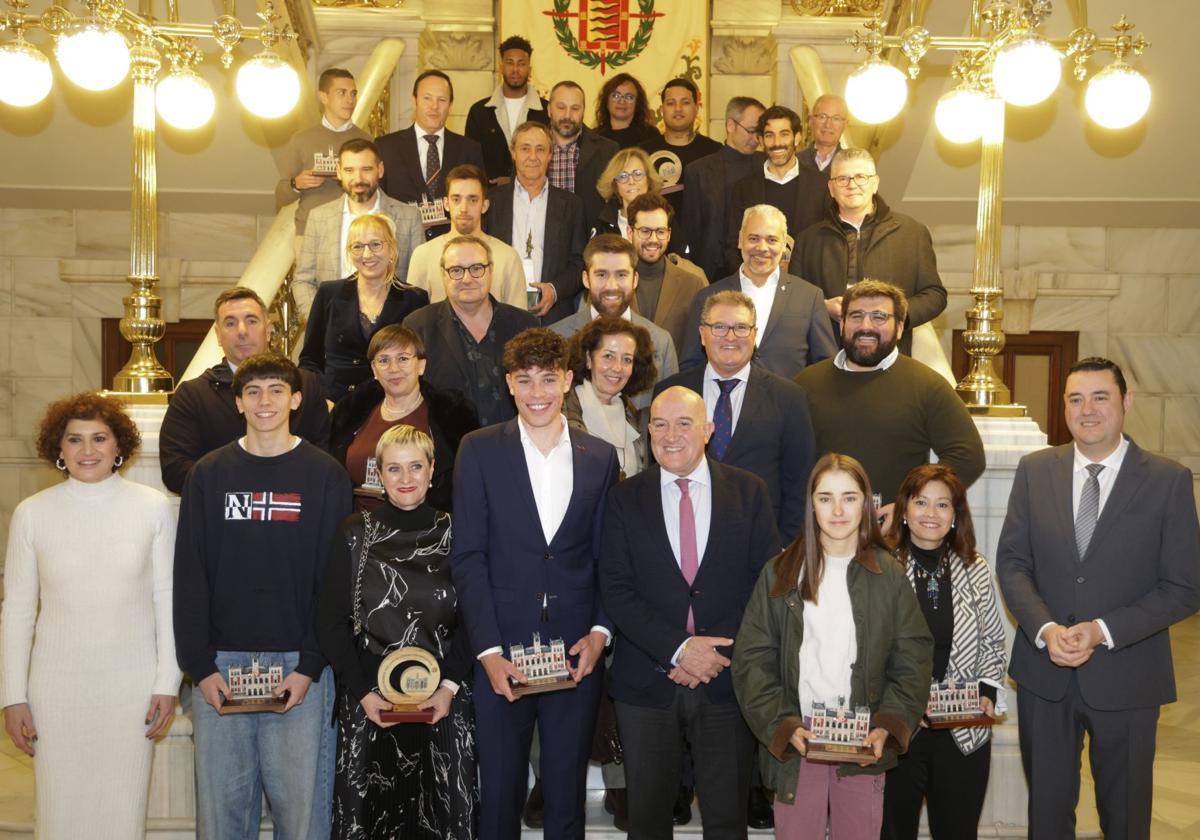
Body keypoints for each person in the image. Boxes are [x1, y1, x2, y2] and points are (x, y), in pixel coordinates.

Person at [996, 356, 1200, 840]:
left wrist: (1102, 630)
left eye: (1100, 397)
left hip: (1128, 676)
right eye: (1075, 399)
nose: (1086, 409)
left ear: (1126, 403)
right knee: (1047, 816)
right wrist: (1046, 629)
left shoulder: (1168, 480)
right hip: (1045, 676)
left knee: (1126, 818)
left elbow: (1185, 587)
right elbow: (1013, 564)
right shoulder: (1034, 470)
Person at [173, 352, 352, 840]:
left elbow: (334, 580)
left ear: (295, 399)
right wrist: (200, 667)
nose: (264, 400)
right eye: (252, 391)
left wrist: (311, 665)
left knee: (302, 814)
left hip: (299, 666)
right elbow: (189, 574)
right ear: (238, 403)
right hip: (223, 667)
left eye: (276, 390)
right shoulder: (208, 475)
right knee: (223, 813)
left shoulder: (325, 475)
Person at [450, 328, 619, 840]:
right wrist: (488, 650)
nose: (538, 392)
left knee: (565, 797)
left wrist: (599, 632)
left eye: (549, 379)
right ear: (509, 384)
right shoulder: (478, 450)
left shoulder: (602, 456)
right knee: (499, 796)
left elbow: (607, 558)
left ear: (568, 380)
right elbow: (469, 556)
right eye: (525, 381)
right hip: (502, 650)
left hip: (576, 651)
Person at [600, 386, 781, 840]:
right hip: (646, 683)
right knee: (646, 821)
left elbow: (767, 584)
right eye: (659, 424)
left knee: (725, 820)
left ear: (709, 430)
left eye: (684, 423)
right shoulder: (624, 498)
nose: (670, 434)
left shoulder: (749, 492)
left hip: (726, 683)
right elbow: (617, 590)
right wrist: (679, 650)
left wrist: (714, 653)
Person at [1, 392, 181, 839]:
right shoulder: (31, 514)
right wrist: (12, 695)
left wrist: (167, 683)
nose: (87, 450)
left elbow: (169, 600)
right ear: (57, 450)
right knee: (60, 816)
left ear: (118, 446)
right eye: (75, 440)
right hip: (55, 690)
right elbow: (18, 612)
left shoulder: (152, 507)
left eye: (99, 439)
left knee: (122, 816)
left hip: (132, 688)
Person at [732, 453, 932, 839]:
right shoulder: (780, 572)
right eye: (825, 498)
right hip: (798, 738)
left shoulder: (888, 574)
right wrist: (781, 725)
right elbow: (751, 660)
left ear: (867, 503)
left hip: (863, 738)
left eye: (849, 497)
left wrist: (889, 723)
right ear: (811, 505)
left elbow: (913, 656)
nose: (838, 510)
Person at [318, 424, 477, 839]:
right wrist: (364, 693)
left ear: (431, 470)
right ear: (378, 474)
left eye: (414, 467)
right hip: (371, 703)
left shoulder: (458, 532)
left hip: (444, 703)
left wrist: (449, 688)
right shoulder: (354, 533)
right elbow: (330, 622)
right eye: (394, 469)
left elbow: (476, 619)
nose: (405, 479)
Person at [881, 464, 1008, 840]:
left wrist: (985, 693)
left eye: (942, 505)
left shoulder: (976, 568)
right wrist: (901, 703)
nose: (931, 514)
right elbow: (867, 648)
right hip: (900, 730)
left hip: (962, 730)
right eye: (921, 502)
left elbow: (993, 640)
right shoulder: (880, 568)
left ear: (955, 515)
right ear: (904, 509)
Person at [793, 279, 985, 525]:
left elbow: (968, 456)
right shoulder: (806, 382)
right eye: (856, 316)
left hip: (894, 539)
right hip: (819, 533)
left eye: (879, 317)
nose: (866, 326)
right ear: (841, 323)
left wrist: (910, 505)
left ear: (899, 327)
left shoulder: (926, 385)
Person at [657, 290, 814, 543]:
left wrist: (786, 549)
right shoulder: (670, 391)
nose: (730, 337)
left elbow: (799, 481)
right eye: (719, 327)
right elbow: (657, 470)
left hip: (761, 543)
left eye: (741, 327)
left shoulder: (789, 397)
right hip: (683, 538)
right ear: (702, 334)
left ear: (754, 335)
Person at [159, 286, 330, 494]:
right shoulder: (192, 395)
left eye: (251, 321)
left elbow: (325, 456)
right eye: (230, 323)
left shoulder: (306, 385)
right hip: (222, 517)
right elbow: (175, 470)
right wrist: (245, 489)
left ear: (268, 330)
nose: (242, 331)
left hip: (295, 510)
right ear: (218, 335)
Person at [793, 148, 946, 355]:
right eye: (842, 179)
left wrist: (891, 316)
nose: (852, 185)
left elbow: (934, 295)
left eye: (860, 177)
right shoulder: (807, 240)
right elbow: (793, 299)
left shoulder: (912, 233)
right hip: (826, 354)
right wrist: (823, 307)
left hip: (891, 356)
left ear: (875, 183)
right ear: (831, 188)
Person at [328, 324, 479, 513]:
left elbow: (471, 486)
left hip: (428, 532)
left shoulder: (452, 417)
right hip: (359, 530)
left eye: (403, 358)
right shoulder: (349, 414)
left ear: (421, 365)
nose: (393, 368)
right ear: (374, 369)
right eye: (383, 360)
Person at [682, 204, 836, 379]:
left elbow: (825, 367)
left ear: (785, 243)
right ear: (740, 240)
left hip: (788, 404)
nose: (762, 248)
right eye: (754, 238)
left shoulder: (809, 297)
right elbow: (691, 366)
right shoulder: (708, 297)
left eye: (772, 240)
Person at [402, 234, 538, 426]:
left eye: (476, 268)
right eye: (456, 270)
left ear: (490, 271)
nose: (467, 279)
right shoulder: (418, 327)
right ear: (443, 274)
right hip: (447, 452)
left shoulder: (525, 325)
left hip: (514, 447)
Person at [299, 213, 430, 403]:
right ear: (349, 253)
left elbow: (422, 362)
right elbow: (309, 361)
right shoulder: (329, 294)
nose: (367, 254)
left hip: (392, 407)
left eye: (376, 244)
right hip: (335, 407)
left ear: (392, 249)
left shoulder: (415, 299)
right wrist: (322, 400)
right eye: (358, 246)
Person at [293, 138, 424, 320]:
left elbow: (417, 283)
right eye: (349, 170)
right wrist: (321, 321)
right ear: (338, 172)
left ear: (380, 170)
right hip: (333, 334)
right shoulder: (318, 217)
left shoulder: (409, 217)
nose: (358, 179)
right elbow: (303, 281)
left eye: (366, 169)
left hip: (392, 335)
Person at [549, 234, 678, 411]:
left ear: (635, 280)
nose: (611, 285)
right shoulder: (557, 338)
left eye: (621, 275)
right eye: (601, 275)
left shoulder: (661, 342)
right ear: (586, 279)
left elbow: (670, 413)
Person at [483, 121, 587, 323]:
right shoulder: (491, 202)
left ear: (550, 155)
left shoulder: (572, 205)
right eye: (525, 149)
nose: (532, 157)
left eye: (540, 149)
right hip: (498, 314)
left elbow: (579, 262)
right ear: (513, 153)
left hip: (554, 318)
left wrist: (554, 290)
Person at [405, 164, 528, 308]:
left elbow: (520, 323)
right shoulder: (422, 255)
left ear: (484, 205)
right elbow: (413, 322)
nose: (464, 208)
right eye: (456, 199)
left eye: (473, 200)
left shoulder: (508, 257)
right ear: (446, 204)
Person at [723, 105, 827, 274]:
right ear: (761, 140)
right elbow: (733, 244)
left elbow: (828, 245)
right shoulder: (744, 188)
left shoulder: (822, 186)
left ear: (797, 137)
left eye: (784, 134)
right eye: (770, 135)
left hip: (807, 286)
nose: (777, 143)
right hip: (755, 286)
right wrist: (752, 276)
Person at [275, 67, 371, 235]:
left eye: (353, 93)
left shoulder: (367, 141)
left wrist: (350, 180)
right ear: (323, 97)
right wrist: (297, 184)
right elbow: (281, 196)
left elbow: (378, 192)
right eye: (342, 93)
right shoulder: (301, 139)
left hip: (354, 234)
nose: (350, 100)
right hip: (310, 233)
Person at [376, 70, 486, 215]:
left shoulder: (469, 149)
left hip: (453, 237)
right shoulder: (385, 147)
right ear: (414, 102)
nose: (434, 106)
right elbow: (376, 202)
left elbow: (478, 202)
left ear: (450, 105)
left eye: (442, 100)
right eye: (427, 98)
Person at [681, 96, 765, 282]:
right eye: (751, 131)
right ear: (730, 125)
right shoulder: (699, 171)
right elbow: (692, 230)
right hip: (710, 272)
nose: (756, 139)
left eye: (760, 132)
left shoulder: (766, 166)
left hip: (757, 269)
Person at [564, 315, 657, 479]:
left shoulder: (636, 419)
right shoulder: (561, 411)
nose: (617, 368)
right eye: (608, 356)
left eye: (627, 359)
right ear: (588, 359)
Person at [638, 77, 722, 240]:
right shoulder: (643, 152)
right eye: (670, 103)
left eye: (685, 102)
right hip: (653, 238)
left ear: (697, 108)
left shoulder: (714, 151)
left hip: (703, 239)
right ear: (661, 110)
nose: (678, 109)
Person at [627, 192, 708, 356]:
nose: (653, 239)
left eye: (660, 232)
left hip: (674, 379)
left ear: (669, 234)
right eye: (645, 231)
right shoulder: (613, 283)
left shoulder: (693, 284)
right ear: (630, 232)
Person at [465, 35, 549, 184]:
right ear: (501, 66)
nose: (515, 69)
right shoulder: (479, 112)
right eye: (510, 63)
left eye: (521, 64)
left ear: (529, 69)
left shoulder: (546, 111)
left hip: (536, 195)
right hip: (490, 199)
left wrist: (514, 180)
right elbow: (470, 162)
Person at [545, 80, 618, 233]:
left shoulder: (608, 150)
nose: (567, 115)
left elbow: (614, 205)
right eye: (561, 107)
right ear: (549, 110)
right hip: (543, 241)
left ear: (584, 111)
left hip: (591, 243)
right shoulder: (532, 148)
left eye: (575, 108)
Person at [591, 146, 662, 239]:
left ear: (648, 179)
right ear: (615, 185)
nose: (631, 181)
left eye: (637, 174)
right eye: (623, 176)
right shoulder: (603, 225)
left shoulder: (664, 218)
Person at [595, 72, 660, 147]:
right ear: (606, 100)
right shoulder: (594, 137)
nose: (622, 101)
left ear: (637, 103)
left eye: (629, 97)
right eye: (616, 96)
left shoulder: (650, 135)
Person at [798, 94, 847, 178]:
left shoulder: (853, 165)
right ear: (810, 120)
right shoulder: (794, 163)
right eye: (822, 117)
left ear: (845, 124)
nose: (828, 125)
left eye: (836, 118)